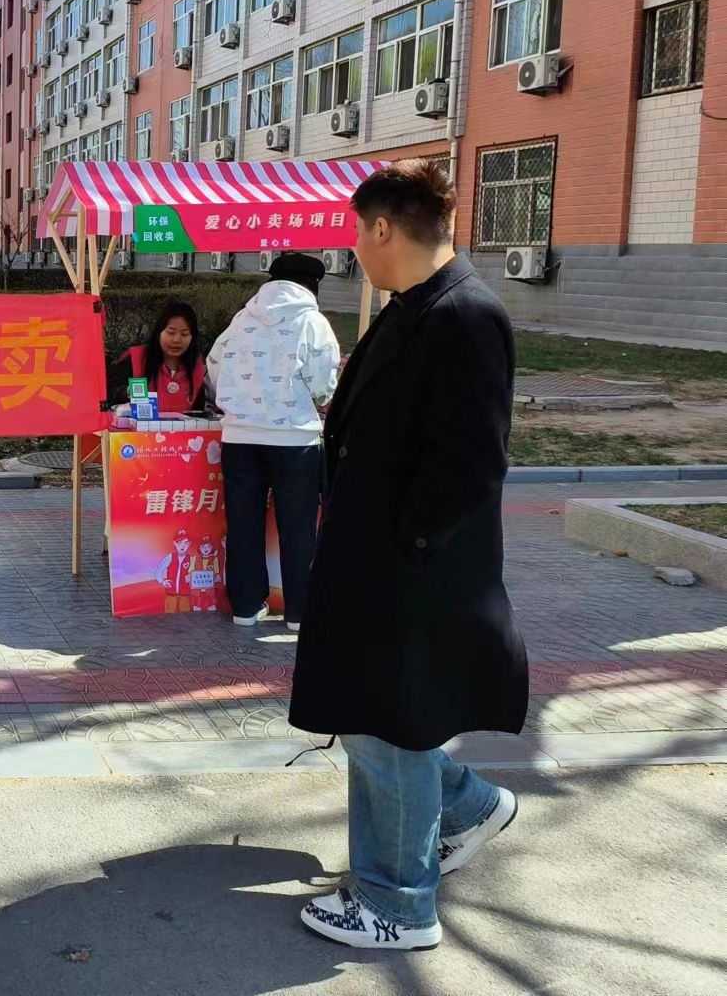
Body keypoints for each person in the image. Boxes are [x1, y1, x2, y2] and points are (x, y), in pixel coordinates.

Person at [291, 160, 526, 952]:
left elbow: (471, 464)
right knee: (376, 718)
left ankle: (397, 903)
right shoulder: (415, 307)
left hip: (409, 573)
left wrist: (405, 550)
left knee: (384, 726)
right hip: (376, 561)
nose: (354, 247)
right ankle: (468, 807)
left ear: (384, 227)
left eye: (358, 232)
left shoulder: (465, 315)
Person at [207, 252, 339, 631]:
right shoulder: (313, 322)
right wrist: (317, 399)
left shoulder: (241, 319)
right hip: (295, 440)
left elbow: (214, 366)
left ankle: (246, 608)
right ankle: (299, 614)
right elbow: (323, 383)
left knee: (243, 523)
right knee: (297, 528)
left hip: (240, 437)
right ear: (313, 286)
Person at [140, 299, 212, 415]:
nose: (177, 340)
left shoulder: (197, 367)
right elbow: (114, 395)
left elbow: (198, 413)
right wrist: (126, 392)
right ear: (159, 332)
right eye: (171, 332)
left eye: (184, 334)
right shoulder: (136, 359)